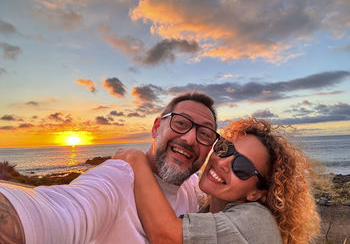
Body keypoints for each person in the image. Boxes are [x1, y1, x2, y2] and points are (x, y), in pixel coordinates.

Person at [0, 92, 218, 244]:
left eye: (205, 134)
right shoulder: (117, 180)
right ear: (156, 127)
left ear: (210, 148)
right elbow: (59, 212)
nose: (190, 139)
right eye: (180, 123)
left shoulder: (192, 186)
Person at [114, 118, 320, 244]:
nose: (223, 162)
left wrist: (136, 160)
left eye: (243, 167)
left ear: (256, 193)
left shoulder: (256, 220)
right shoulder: (206, 210)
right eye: (225, 148)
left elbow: (166, 237)